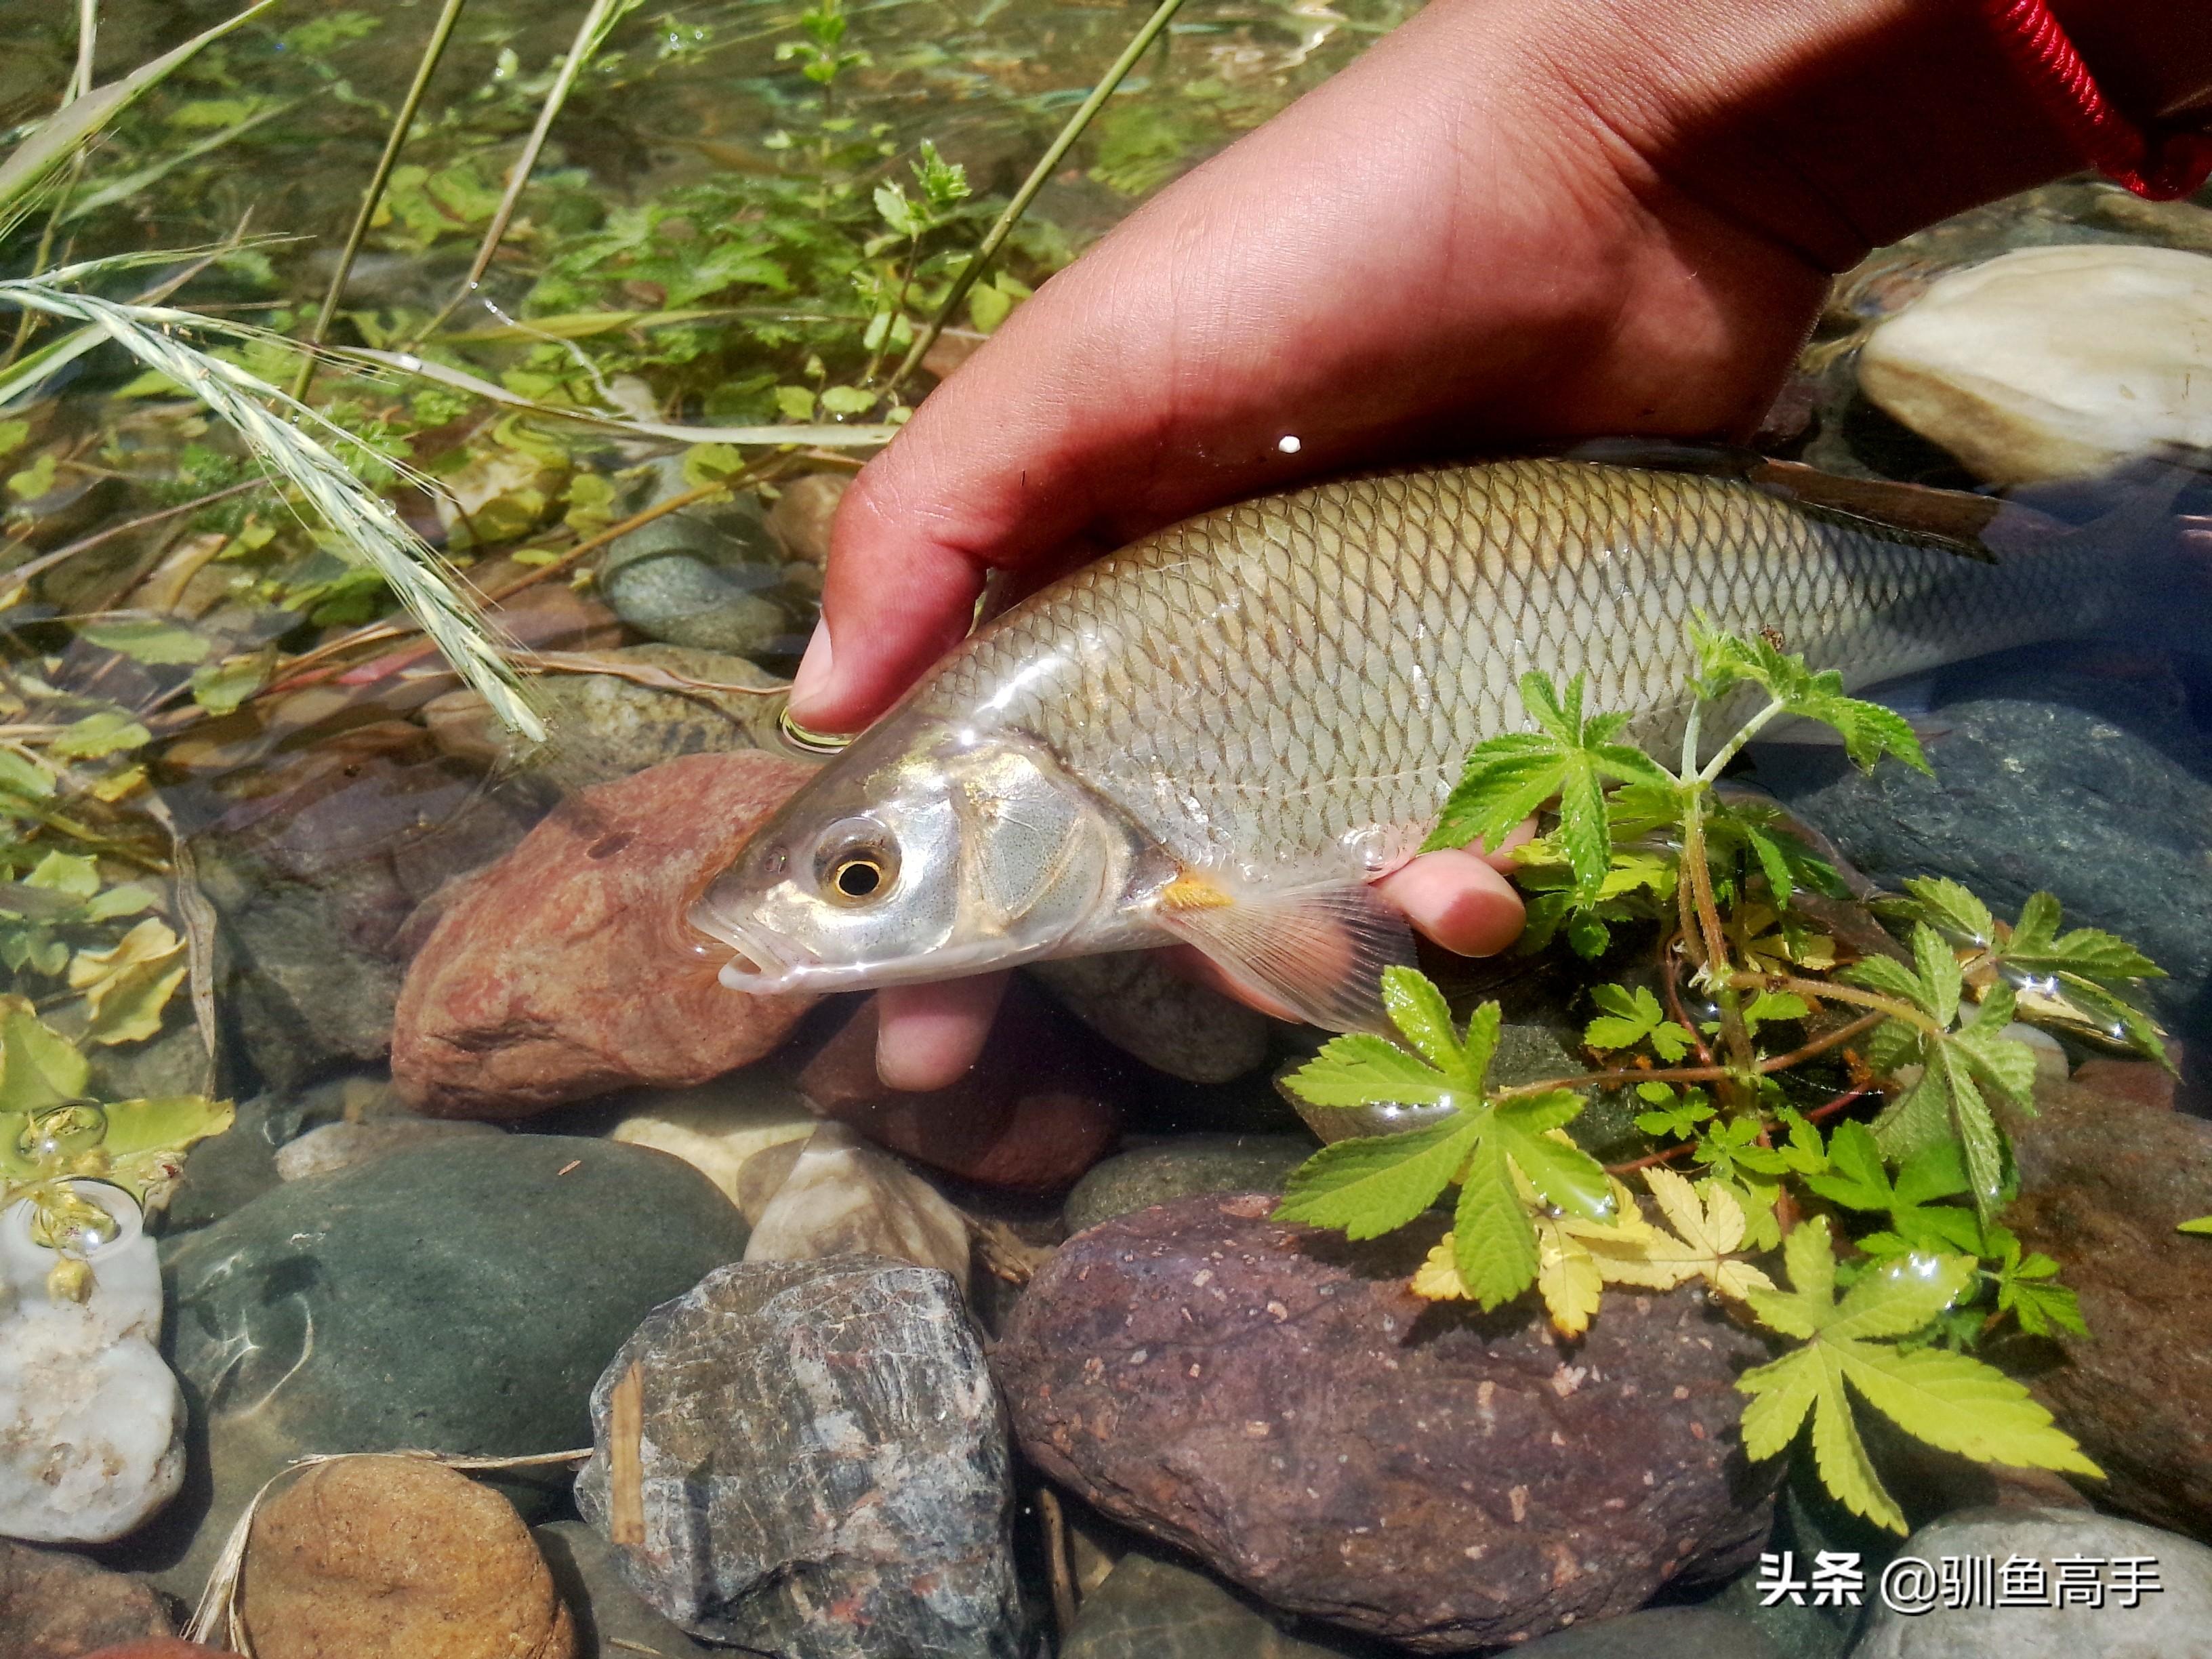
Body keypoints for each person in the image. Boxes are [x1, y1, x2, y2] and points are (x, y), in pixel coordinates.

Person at [779, 0, 2212, 1088]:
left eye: (860, 880)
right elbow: (1317, 946)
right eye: (861, 878)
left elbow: (1327, 964)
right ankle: (2105, 582)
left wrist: (1603, 115)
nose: (848, 905)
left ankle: (2108, 584)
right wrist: (1614, 113)